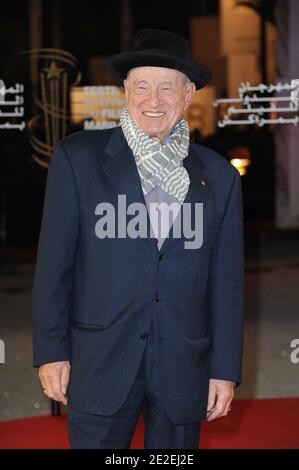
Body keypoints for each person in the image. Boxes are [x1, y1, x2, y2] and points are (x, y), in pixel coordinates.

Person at [32, 28, 244, 449]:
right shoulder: (77, 160)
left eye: (167, 88)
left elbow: (227, 286)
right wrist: (51, 351)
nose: (153, 100)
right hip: (100, 360)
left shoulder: (219, 177)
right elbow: (54, 266)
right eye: (142, 86)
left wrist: (223, 369)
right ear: (125, 91)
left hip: (184, 364)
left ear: (187, 96)